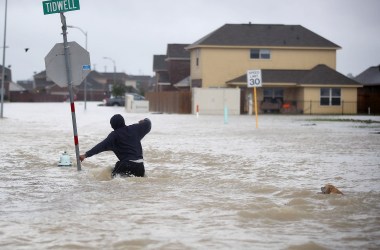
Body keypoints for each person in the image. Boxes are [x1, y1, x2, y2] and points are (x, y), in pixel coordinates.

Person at [80, 114, 151, 177]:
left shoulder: (114, 135)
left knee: (113, 182)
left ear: (112, 125)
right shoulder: (135, 128)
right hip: (140, 167)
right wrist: (145, 120)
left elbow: (100, 146)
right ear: (123, 121)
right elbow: (148, 124)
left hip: (126, 165)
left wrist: (85, 155)